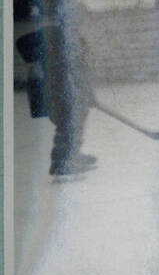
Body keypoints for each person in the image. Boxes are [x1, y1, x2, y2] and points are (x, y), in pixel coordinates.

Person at [16, 18, 98, 176]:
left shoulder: (74, 39)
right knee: (68, 119)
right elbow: (22, 43)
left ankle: (70, 156)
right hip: (45, 86)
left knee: (74, 116)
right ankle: (62, 163)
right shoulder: (57, 34)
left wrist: (89, 95)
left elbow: (81, 70)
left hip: (56, 86)